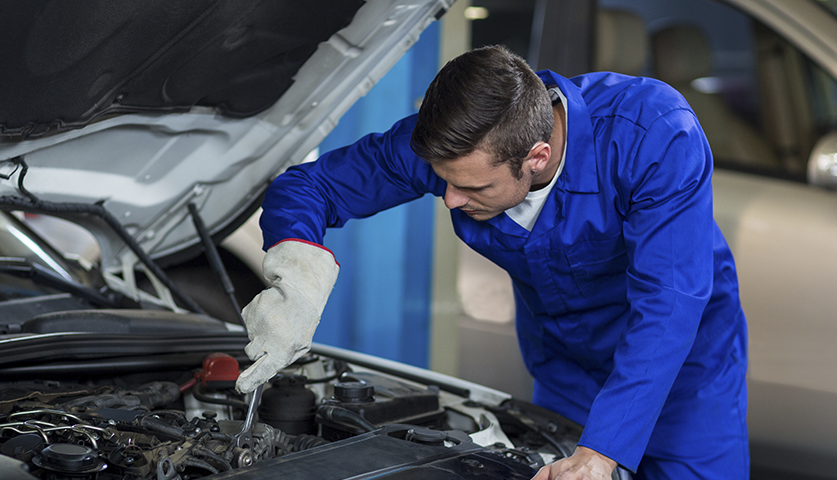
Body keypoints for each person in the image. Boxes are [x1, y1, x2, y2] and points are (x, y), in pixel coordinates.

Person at [235, 45, 749, 480]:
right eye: (445, 181)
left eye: (471, 187)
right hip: (564, 363)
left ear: (538, 157)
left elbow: (669, 303)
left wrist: (602, 452)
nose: (451, 200)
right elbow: (309, 185)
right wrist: (298, 275)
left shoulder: (654, 133)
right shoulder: (459, 145)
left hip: (684, 371)